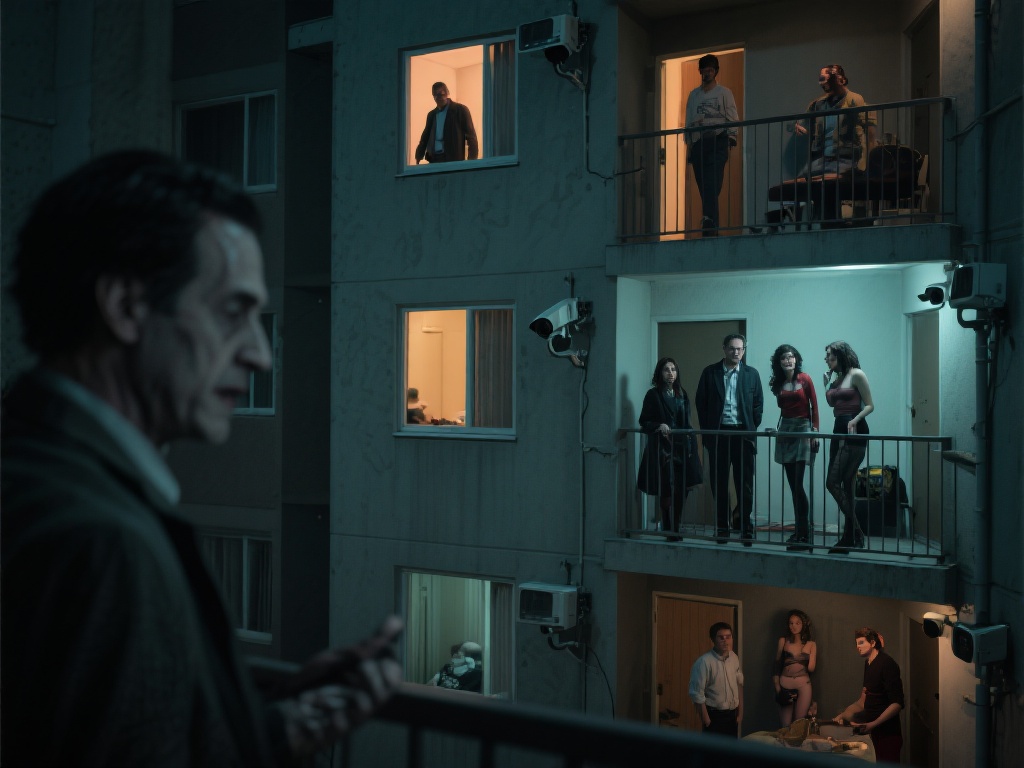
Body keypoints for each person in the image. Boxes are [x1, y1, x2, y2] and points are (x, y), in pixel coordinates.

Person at [1, 151, 403, 765]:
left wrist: (269, 725)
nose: (259, 355)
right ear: (126, 306)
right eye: (232, 313)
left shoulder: (32, 471)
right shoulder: (102, 539)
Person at [696, 334, 764, 545]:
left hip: (743, 436)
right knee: (719, 483)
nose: (736, 352)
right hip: (719, 435)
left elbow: (758, 405)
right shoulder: (710, 373)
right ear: (724, 348)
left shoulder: (751, 374)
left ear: (744, 350)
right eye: (732, 348)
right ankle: (722, 527)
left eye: (740, 349)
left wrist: (750, 427)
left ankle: (745, 527)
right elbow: (701, 403)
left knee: (745, 484)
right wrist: (709, 432)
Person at [793, 64, 877, 223]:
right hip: (822, 159)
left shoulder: (854, 99)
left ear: (840, 79)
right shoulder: (817, 104)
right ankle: (819, 220)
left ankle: (831, 221)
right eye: (821, 79)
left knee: (829, 184)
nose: (823, 83)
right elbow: (803, 124)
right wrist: (799, 128)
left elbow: (869, 137)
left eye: (827, 78)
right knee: (803, 182)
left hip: (846, 158)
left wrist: (867, 165)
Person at [637, 357, 704, 536]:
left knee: (684, 487)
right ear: (660, 372)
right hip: (663, 449)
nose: (670, 373)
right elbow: (644, 421)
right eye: (666, 369)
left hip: (683, 447)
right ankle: (668, 527)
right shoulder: (653, 394)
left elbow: (687, 421)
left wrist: (691, 442)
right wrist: (659, 425)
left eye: (673, 369)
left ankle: (675, 524)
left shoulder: (681, 393)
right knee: (666, 488)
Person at [823, 340, 874, 553]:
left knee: (832, 482)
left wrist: (855, 419)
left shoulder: (856, 374)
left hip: (854, 428)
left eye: (831, 356)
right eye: (827, 357)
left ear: (841, 356)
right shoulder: (837, 379)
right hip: (838, 428)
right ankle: (850, 537)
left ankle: (856, 533)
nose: (827, 360)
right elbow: (831, 403)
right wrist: (826, 384)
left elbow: (870, 405)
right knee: (845, 485)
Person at [768, 345, 819, 550]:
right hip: (786, 429)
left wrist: (815, 431)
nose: (788, 361)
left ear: (796, 359)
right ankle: (799, 531)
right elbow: (782, 408)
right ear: (778, 362)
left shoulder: (805, 379)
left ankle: (804, 532)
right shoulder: (778, 382)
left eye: (791, 357)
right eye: (784, 358)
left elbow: (814, 406)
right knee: (792, 485)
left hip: (803, 428)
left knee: (798, 484)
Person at [683, 54, 739, 236]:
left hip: (717, 141)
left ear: (715, 71)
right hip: (699, 143)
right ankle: (710, 223)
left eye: (710, 70)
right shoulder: (694, 95)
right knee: (704, 187)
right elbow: (689, 120)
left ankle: (709, 223)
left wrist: (731, 138)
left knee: (712, 184)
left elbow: (732, 117)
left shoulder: (724, 93)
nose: (707, 73)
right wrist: (689, 145)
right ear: (700, 71)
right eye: (704, 70)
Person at [835, 627, 905, 763]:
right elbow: (862, 701)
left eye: (861, 642)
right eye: (856, 643)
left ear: (872, 643)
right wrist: (843, 715)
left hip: (888, 734)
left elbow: (897, 703)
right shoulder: (868, 663)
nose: (858, 647)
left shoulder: (887, 664)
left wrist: (873, 724)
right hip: (873, 733)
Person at [689, 622, 744, 738]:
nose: (725, 641)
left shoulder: (734, 658)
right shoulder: (704, 662)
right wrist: (707, 721)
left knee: (730, 748)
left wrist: (740, 713)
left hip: (732, 715)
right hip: (714, 716)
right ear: (713, 639)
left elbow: (739, 683)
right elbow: (697, 694)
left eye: (728, 637)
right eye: (721, 637)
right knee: (713, 749)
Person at [414, 81, 479, 164]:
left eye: (440, 94)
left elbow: (471, 137)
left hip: (452, 159)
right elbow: (425, 137)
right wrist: (418, 156)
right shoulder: (431, 115)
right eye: (435, 95)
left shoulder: (460, 110)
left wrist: (472, 161)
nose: (437, 98)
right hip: (433, 159)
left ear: (447, 93)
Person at [772, 610, 817, 726]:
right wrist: (777, 687)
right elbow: (777, 664)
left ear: (804, 624)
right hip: (785, 684)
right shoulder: (783, 641)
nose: (794, 626)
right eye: (791, 623)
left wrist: (809, 652)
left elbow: (811, 669)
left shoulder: (811, 644)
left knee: (799, 724)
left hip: (803, 684)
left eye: (797, 623)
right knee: (785, 725)